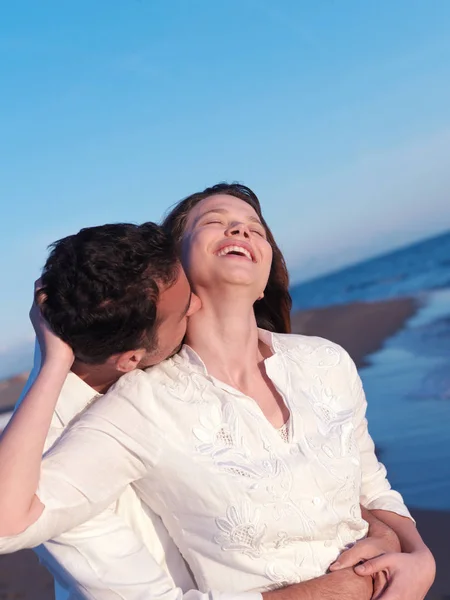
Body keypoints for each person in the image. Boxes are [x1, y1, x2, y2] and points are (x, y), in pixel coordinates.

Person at [0, 184, 435, 600]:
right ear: (175, 272)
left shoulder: (327, 361)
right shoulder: (140, 405)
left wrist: (420, 557)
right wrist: (52, 362)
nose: (241, 229)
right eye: (214, 221)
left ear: (264, 279)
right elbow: (9, 522)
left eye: (256, 228)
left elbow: (372, 486)